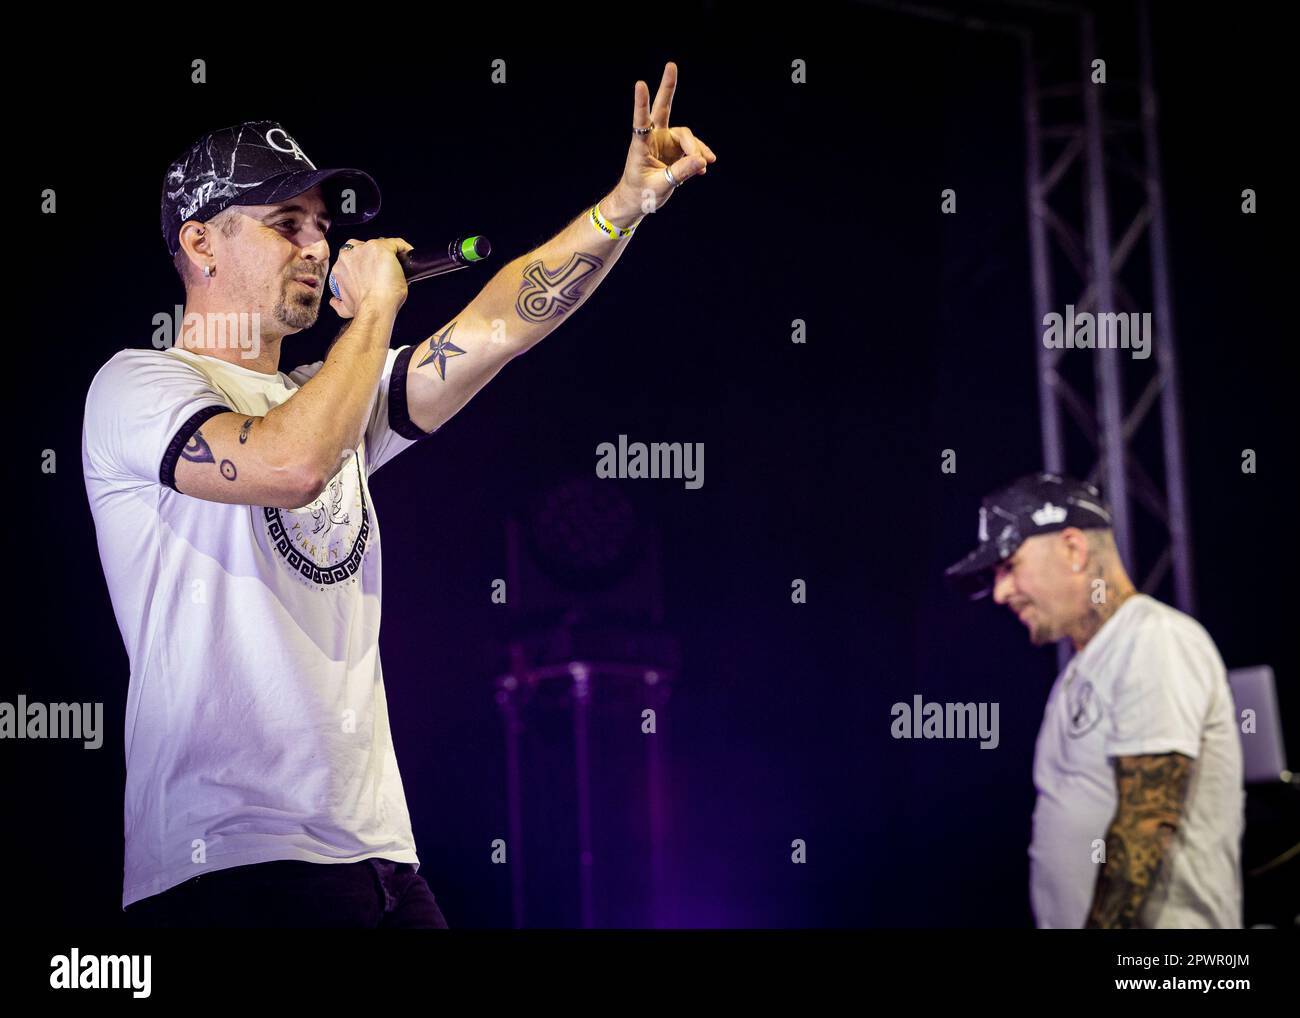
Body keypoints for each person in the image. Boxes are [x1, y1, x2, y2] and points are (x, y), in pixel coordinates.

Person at [82, 64, 716, 928]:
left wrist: (623, 207)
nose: (317, 246)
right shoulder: (138, 386)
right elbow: (290, 462)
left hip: (379, 860)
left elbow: (499, 326)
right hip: (229, 865)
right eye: (285, 225)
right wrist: (375, 313)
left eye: (321, 225)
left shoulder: (330, 391)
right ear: (200, 244)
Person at [944, 472, 1244, 928]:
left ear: (1072, 550)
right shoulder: (1082, 669)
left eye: (1009, 566)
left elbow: (1146, 822)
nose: (1001, 593)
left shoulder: (1153, 639)